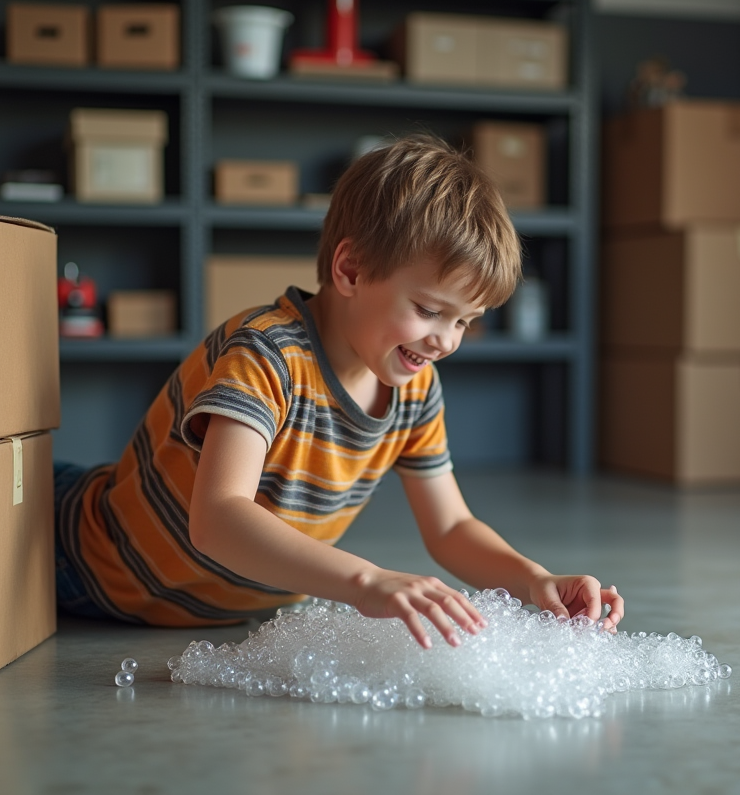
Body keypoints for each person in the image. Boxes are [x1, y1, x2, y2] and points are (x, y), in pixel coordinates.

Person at [53, 135, 623, 648]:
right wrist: (366, 581)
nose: (445, 340)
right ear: (350, 269)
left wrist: (534, 580)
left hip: (215, 612)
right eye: (428, 310)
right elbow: (218, 518)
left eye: (464, 321)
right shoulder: (267, 354)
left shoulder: (414, 385)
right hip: (85, 561)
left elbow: (450, 527)